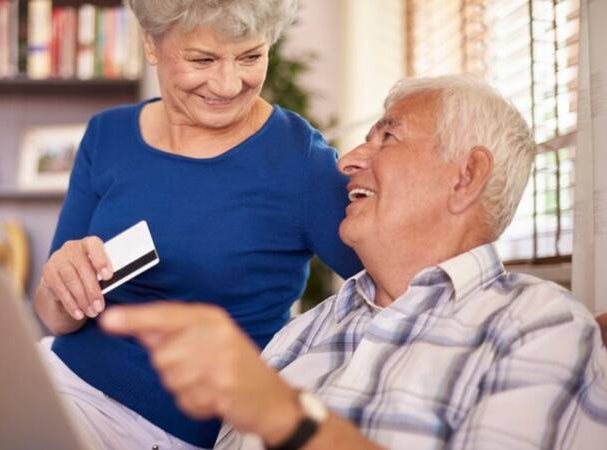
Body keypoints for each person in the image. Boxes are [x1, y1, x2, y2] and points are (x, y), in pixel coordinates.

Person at [100, 75, 607, 449]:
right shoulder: (304, 332)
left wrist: (289, 419)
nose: (346, 162)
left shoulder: (539, 326)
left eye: (387, 137)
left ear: (466, 177)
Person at [31, 0, 361, 448]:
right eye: (202, 59)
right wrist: (59, 282)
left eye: (250, 56)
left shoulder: (298, 159)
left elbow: (399, 288)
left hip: (173, 428)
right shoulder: (107, 135)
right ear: (151, 43)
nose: (228, 85)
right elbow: (56, 317)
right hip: (63, 378)